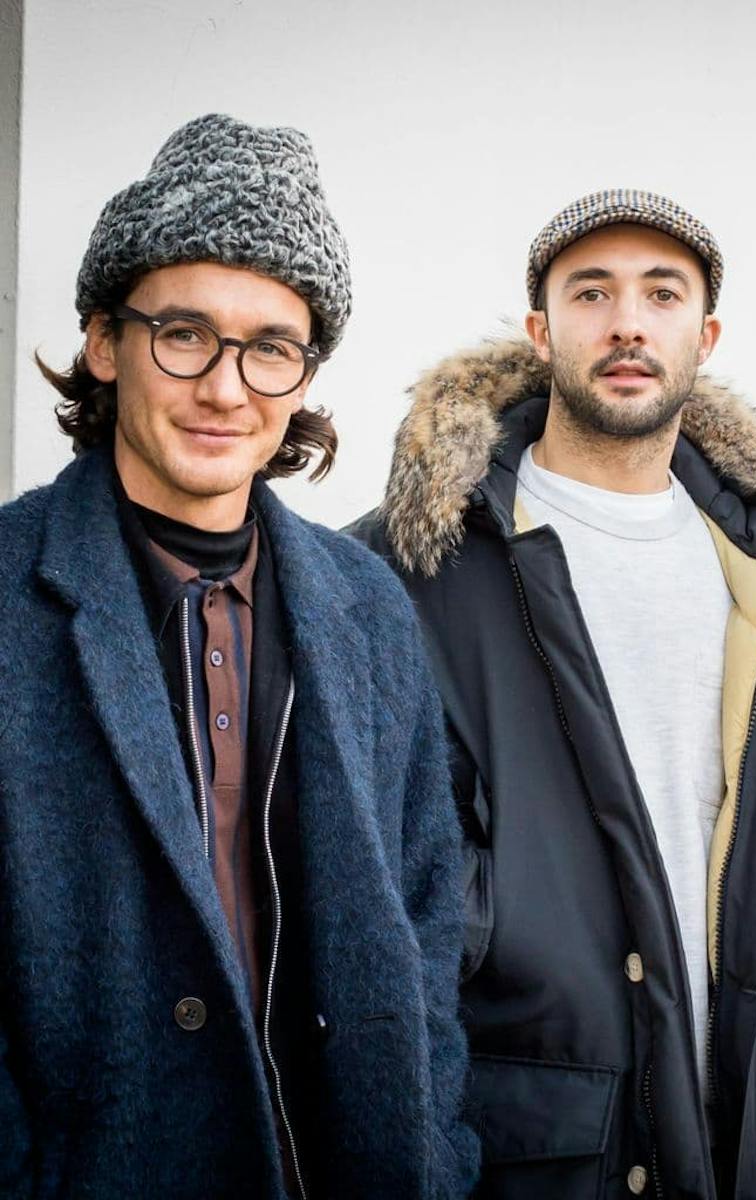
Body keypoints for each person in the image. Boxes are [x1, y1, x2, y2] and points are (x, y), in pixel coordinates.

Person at [349, 191, 756, 1198]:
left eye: (662, 295)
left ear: (705, 336)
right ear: (541, 332)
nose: (628, 323)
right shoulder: (405, 568)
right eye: (592, 294)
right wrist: (500, 930)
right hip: (549, 1142)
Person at [0, 114, 476, 1198]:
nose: (226, 388)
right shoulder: (10, 589)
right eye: (184, 334)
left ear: (304, 376)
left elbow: (426, 912)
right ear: (105, 342)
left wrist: (437, 1153)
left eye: (271, 348)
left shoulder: (367, 603)